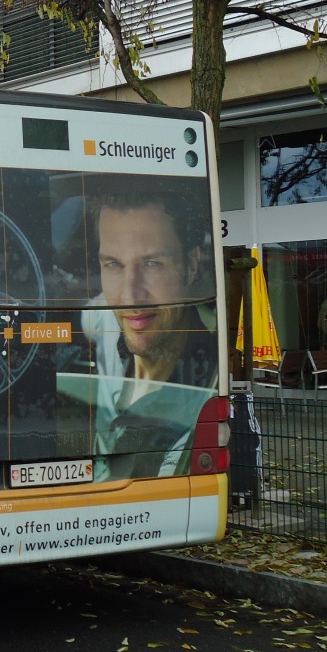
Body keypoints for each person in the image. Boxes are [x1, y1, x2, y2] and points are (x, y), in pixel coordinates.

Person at [85, 180, 218, 479]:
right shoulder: (106, 326)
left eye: (152, 264)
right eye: (114, 265)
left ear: (191, 265)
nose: (131, 296)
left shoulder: (202, 390)